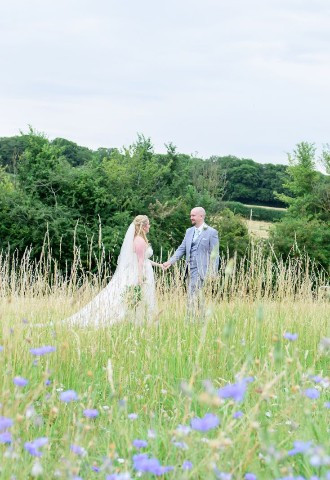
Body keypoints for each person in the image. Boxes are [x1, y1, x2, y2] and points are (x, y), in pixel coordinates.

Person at [66, 215, 163, 326]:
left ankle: (139, 322)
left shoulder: (138, 239)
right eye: (148, 224)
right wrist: (140, 278)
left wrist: (159, 265)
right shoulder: (140, 241)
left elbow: (144, 260)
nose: (150, 226)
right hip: (140, 274)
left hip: (142, 272)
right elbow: (140, 262)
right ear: (143, 226)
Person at [163, 207, 219, 314]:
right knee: (196, 295)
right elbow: (182, 248)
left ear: (201, 216)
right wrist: (170, 261)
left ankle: (190, 320)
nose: (191, 218)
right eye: (191, 215)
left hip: (201, 269)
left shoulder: (211, 232)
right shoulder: (189, 231)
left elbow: (215, 254)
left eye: (193, 215)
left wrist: (213, 272)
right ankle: (200, 320)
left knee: (192, 293)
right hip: (188, 269)